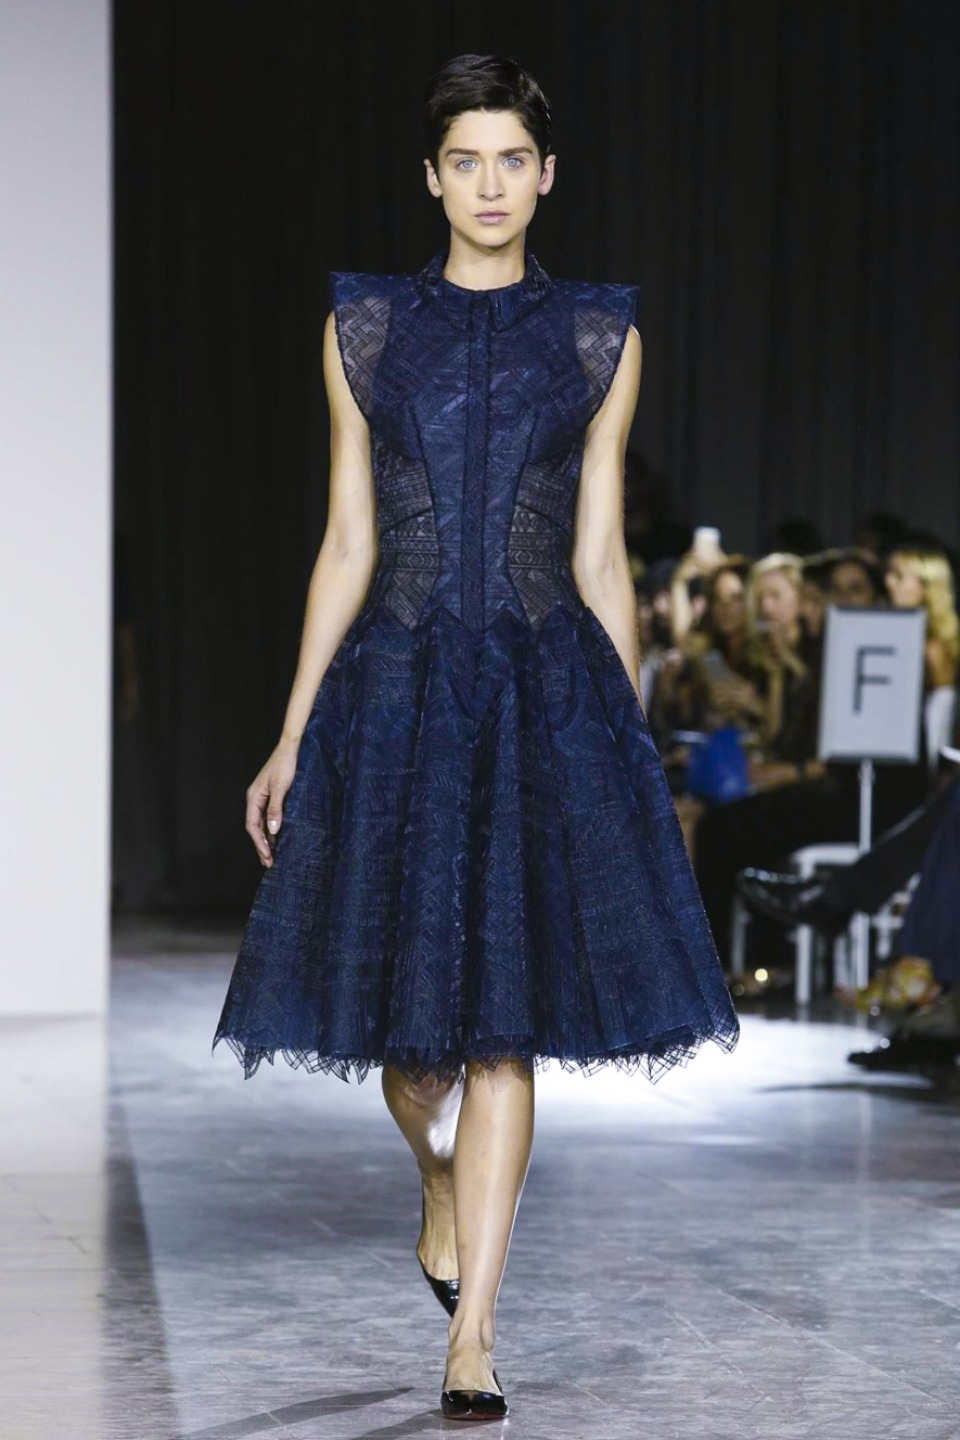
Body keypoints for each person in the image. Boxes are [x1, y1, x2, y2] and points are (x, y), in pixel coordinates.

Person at [211, 54, 739, 1423]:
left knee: (507, 1031)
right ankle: (437, 1178)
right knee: (412, 1049)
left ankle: (476, 1333)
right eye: (467, 161)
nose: (491, 185)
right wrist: (290, 732)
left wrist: (624, 741)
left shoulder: (602, 336)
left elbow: (602, 552)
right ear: (432, 177)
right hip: (396, 694)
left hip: (539, 694)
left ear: (546, 176)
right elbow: (348, 539)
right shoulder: (366, 328)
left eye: (514, 160)